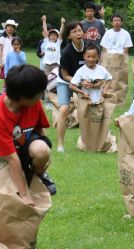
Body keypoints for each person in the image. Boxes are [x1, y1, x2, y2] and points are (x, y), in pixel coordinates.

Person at [0, 64, 57, 204]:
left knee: (41, 150)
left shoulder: (32, 103)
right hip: (6, 155)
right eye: (38, 94)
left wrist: (45, 159)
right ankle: (24, 181)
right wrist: (25, 195)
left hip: (27, 147)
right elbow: (11, 159)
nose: (41, 97)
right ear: (23, 97)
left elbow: (41, 131)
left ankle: (39, 175)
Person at [56, 21, 85, 153]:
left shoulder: (90, 47)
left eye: (79, 30)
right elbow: (65, 74)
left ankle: (91, 141)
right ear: (69, 36)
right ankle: (60, 145)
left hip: (85, 82)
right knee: (63, 110)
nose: (78, 33)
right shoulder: (66, 52)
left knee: (90, 110)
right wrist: (78, 81)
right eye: (74, 31)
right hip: (65, 81)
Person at [0, 19, 18, 91]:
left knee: (14, 75)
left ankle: (13, 89)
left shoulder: (16, 38)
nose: (10, 28)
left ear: (14, 29)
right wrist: (0, 61)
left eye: (12, 26)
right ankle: (4, 90)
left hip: (14, 60)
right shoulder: (2, 38)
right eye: (8, 26)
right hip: (5, 60)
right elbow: (0, 50)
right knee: (6, 76)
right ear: (5, 28)